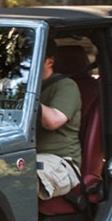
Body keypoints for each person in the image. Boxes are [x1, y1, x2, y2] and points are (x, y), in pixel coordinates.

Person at [35, 46, 84, 199]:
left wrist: (27, 98)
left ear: (49, 61)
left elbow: (53, 121)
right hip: (28, 155)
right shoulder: (27, 87)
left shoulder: (66, 85)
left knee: (20, 179)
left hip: (61, 161)